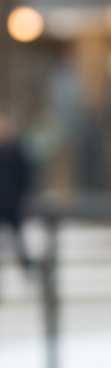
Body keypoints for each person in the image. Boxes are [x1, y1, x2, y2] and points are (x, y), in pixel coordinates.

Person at [0, 109, 32, 271]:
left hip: (12, 203)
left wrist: (20, 196)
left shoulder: (17, 149)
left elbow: (25, 176)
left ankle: (28, 271)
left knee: (18, 240)